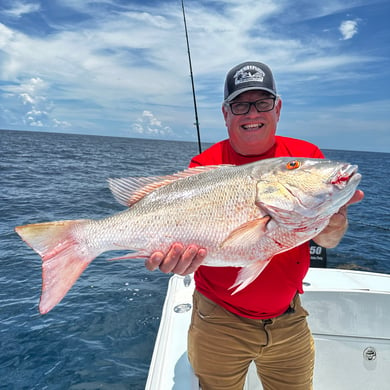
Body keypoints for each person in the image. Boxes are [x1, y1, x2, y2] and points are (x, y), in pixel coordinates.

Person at [145, 61, 364, 390]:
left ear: (277, 108)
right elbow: (194, 242)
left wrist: (334, 219)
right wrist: (175, 263)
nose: (251, 113)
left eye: (262, 102)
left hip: (290, 317)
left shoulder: (307, 155)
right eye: (240, 104)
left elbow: (329, 242)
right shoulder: (204, 166)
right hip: (218, 321)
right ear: (225, 113)